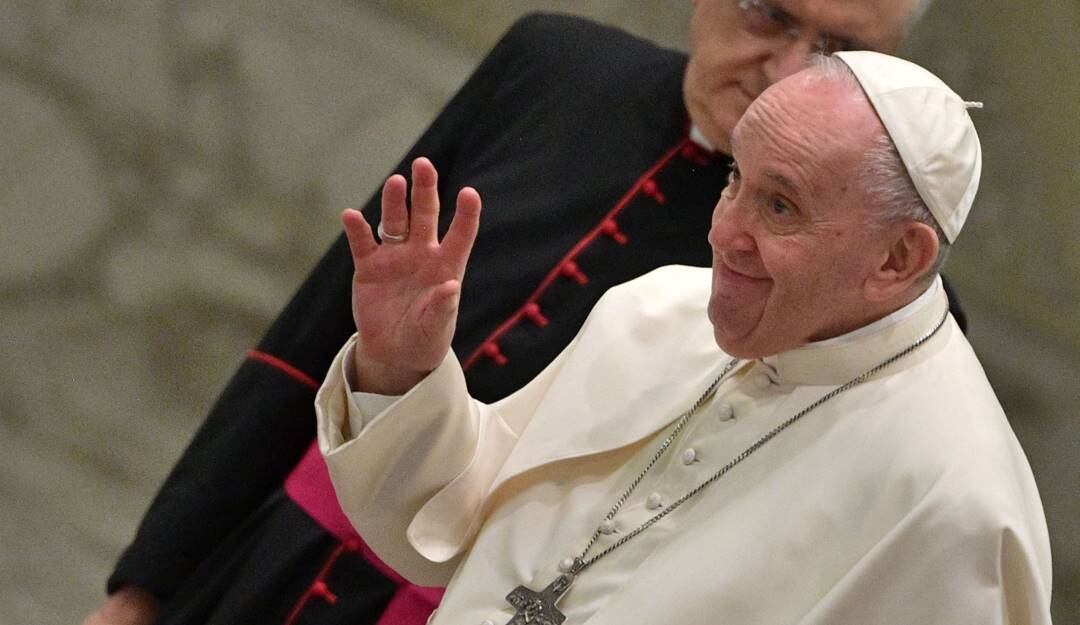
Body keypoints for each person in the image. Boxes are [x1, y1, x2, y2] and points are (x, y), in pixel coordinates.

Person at [87, 2, 968, 624]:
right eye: (766, 13)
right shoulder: (554, 65)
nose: (783, 68)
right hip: (273, 561)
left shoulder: (878, 308)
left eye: (836, 52)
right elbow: (309, 340)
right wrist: (146, 583)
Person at [319, 51, 1052, 624]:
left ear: (900, 258)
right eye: (737, 177)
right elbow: (454, 518)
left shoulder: (959, 506)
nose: (724, 231)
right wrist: (402, 370)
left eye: (780, 204)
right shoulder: (661, 310)